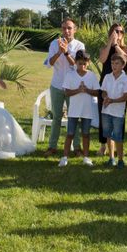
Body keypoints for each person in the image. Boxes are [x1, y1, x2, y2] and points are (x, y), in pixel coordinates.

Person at [45, 19, 85, 155]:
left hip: (73, 87)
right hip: (56, 85)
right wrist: (59, 52)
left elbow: (79, 66)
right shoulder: (54, 44)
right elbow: (49, 63)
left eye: (69, 28)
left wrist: (66, 52)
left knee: (74, 117)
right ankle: (52, 147)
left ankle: (77, 147)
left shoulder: (80, 46)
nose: (66, 31)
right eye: (63, 28)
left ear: (75, 29)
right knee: (56, 117)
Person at [97, 23, 127, 160]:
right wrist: (110, 43)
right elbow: (103, 59)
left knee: (119, 116)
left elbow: (125, 58)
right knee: (104, 115)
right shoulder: (104, 48)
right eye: (115, 31)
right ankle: (103, 144)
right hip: (106, 84)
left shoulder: (126, 48)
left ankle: (118, 145)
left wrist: (116, 45)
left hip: (121, 87)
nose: (118, 33)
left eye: (120, 31)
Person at [59, 50, 99, 167]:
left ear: (88, 63)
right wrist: (78, 90)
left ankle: (86, 157)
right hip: (74, 110)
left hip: (87, 110)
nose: (82, 66)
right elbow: (66, 92)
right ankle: (64, 157)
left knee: (86, 134)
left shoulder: (91, 76)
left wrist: (86, 90)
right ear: (75, 62)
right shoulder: (70, 75)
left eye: (84, 64)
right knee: (70, 133)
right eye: (80, 63)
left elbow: (97, 92)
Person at [100, 54, 127, 168]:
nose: (114, 66)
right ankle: (111, 158)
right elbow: (103, 91)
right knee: (108, 135)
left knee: (118, 137)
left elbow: (125, 97)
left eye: (117, 63)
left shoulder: (126, 79)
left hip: (118, 113)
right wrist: (105, 98)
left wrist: (112, 100)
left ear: (123, 65)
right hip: (106, 111)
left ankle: (121, 160)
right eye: (112, 63)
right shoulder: (107, 76)